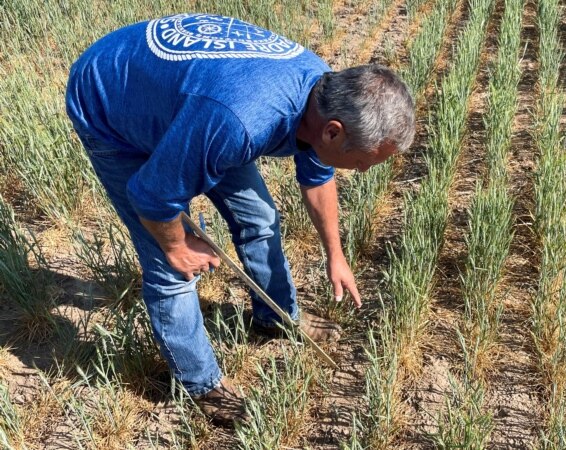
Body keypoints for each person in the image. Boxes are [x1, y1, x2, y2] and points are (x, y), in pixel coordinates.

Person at [65, 12, 415, 427]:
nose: (361, 172)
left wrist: (335, 255)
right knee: (169, 269)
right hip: (112, 103)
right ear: (333, 133)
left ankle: (278, 318)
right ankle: (202, 386)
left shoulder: (322, 99)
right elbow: (151, 195)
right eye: (361, 163)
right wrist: (177, 244)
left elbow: (318, 178)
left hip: (196, 104)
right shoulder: (241, 122)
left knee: (260, 216)